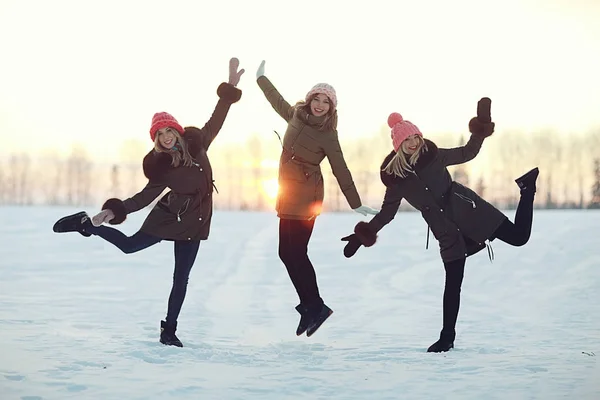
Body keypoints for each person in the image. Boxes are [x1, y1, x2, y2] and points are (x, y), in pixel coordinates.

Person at [52, 57, 245, 347]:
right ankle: (87, 225)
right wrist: (112, 210)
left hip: (195, 220)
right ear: (155, 140)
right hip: (169, 216)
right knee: (130, 246)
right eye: (159, 134)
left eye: (169, 131)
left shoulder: (199, 143)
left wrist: (229, 88)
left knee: (181, 279)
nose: (165, 137)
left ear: (178, 131)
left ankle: (169, 331)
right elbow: (143, 198)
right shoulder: (162, 167)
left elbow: (217, 117)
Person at [340, 98, 539, 352]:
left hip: (468, 210)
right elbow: (388, 213)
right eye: (407, 140)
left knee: (519, 236)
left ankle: (527, 188)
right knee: (453, 283)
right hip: (444, 230)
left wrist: (481, 126)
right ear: (398, 145)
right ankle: (447, 338)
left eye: (415, 137)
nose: (413, 143)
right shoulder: (396, 177)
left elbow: (468, 152)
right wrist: (362, 235)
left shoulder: (433, 156)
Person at [255, 60, 379, 337]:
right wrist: (261, 79)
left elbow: (341, 169)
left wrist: (355, 202)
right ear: (310, 99)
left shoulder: (328, 135)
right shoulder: (296, 116)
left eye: (326, 102)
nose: (320, 105)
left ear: (332, 108)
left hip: (307, 197)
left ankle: (316, 307)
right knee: (285, 253)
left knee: (295, 252)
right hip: (287, 194)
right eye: (317, 99)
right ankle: (310, 307)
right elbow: (277, 101)